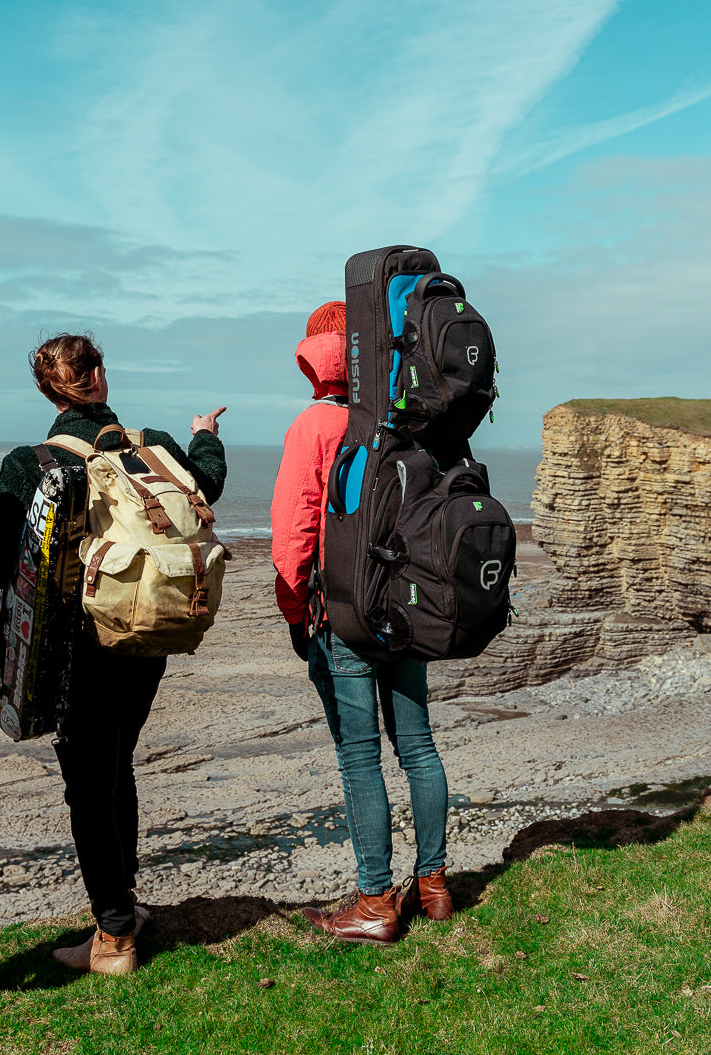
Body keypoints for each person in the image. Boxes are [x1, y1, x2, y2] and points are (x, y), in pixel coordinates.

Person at [0, 332, 227, 975]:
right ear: (100, 377)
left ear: (48, 390)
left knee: (89, 783)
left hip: (76, 648)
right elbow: (207, 484)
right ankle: (122, 907)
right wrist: (202, 432)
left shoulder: (29, 461)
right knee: (116, 766)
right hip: (148, 634)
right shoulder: (151, 447)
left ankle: (114, 935)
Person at [271, 302, 453, 945]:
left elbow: (293, 536)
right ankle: (432, 885)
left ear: (314, 360)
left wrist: (296, 613)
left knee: (359, 755)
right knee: (419, 746)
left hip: (342, 613)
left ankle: (376, 898)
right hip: (404, 609)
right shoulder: (405, 421)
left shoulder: (314, 426)